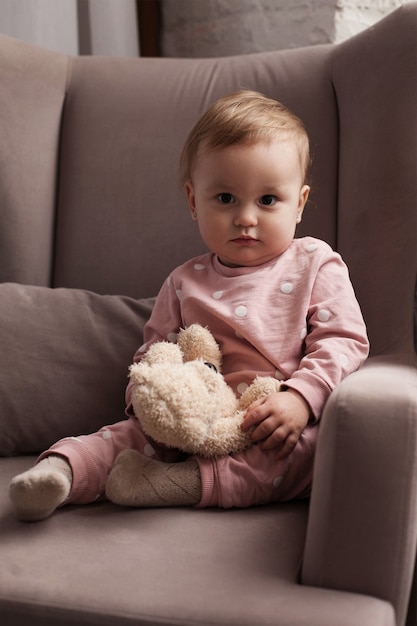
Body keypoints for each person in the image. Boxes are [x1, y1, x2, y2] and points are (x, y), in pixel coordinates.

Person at [9, 90, 369, 521]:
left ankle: (169, 484)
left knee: (308, 454)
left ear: (300, 204)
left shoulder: (315, 263)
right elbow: (155, 353)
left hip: (274, 421)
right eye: (225, 199)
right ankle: (59, 473)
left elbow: (344, 340)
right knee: (122, 437)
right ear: (194, 202)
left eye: (268, 200)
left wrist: (301, 399)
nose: (246, 218)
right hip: (195, 416)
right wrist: (153, 402)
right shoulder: (184, 281)